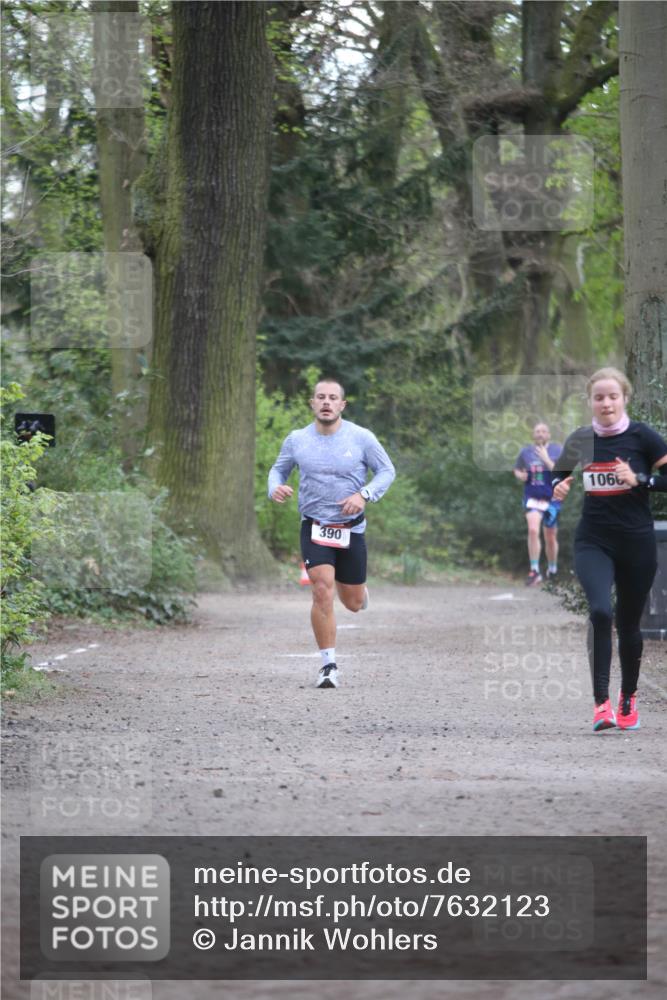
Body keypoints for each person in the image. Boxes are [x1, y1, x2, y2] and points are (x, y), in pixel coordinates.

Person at [551, 367, 667, 732]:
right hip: (594, 539)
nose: (606, 403)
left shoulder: (643, 436)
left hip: (636, 541)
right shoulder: (581, 439)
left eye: (612, 396)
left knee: (629, 623)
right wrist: (557, 487)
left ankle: (628, 697)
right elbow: (557, 475)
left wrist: (641, 480)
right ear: (590, 401)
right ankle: (602, 704)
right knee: (602, 611)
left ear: (624, 398)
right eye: (599, 397)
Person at [268, 378, 396, 689]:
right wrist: (275, 487)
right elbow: (278, 470)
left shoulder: (362, 438)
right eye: (320, 397)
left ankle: (358, 589)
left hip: (351, 530)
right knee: (321, 590)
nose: (326, 402)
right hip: (315, 527)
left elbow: (387, 471)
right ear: (312, 403)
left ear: (342, 405)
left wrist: (363, 495)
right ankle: (328, 666)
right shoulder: (297, 439)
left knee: (351, 602)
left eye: (332, 398)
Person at [513, 422, 563, 585]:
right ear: (533, 435)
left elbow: (561, 472)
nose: (540, 434)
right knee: (533, 530)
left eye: (543, 431)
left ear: (548, 435)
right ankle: (534, 571)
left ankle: (552, 570)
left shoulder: (557, 450)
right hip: (532, 498)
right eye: (537, 431)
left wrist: (546, 459)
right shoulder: (526, 452)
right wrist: (520, 475)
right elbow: (517, 469)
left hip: (552, 499)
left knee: (550, 536)